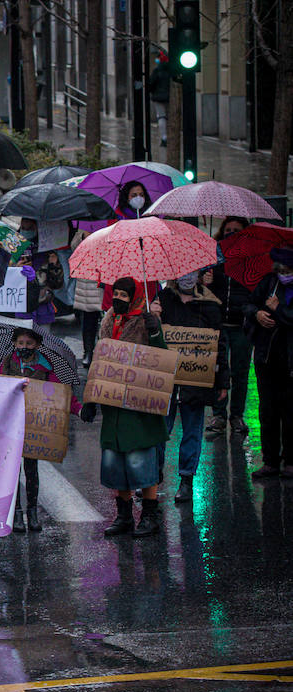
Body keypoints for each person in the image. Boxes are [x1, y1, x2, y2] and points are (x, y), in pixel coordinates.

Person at [79, 277, 168, 537]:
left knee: (142, 461)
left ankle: (150, 516)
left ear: (134, 297)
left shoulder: (147, 321)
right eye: (115, 293)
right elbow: (99, 361)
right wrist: (90, 400)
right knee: (116, 462)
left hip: (140, 407)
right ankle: (125, 515)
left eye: (124, 295)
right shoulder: (109, 322)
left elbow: (161, 359)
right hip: (114, 407)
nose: (118, 299)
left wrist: (154, 332)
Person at [0, 328, 80, 531]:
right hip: (11, 425)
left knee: (31, 469)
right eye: (20, 343)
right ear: (14, 344)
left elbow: (60, 393)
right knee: (12, 470)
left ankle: (32, 511)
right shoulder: (8, 362)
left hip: (34, 426)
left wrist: (79, 410)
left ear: (37, 345)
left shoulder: (45, 366)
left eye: (29, 343)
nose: (24, 347)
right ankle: (16, 512)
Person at [158, 271, 228, 501]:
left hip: (195, 379)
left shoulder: (210, 304)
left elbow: (220, 345)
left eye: (191, 274)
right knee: (159, 430)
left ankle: (186, 479)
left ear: (198, 275)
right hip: (165, 378)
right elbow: (153, 338)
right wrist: (153, 319)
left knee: (192, 430)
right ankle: (152, 477)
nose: (186, 278)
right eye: (182, 274)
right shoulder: (163, 299)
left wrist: (222, 382)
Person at [246, 248, 293, 479]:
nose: (284, 274)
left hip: (290, 360)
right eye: (280, 270)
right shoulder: (269, 283)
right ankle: (270, 460)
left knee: (290, 411)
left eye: (288, 270)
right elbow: (248, 305)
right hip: (266, 359)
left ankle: (291, 460)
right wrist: (257, 314)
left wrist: (278, 309)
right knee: (268, 411)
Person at [207, 216, 254, 438]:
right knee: (218, 370)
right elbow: (204, 288)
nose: (231, 233)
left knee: (240, 372)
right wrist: (205, 279)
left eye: (236, 230)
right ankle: (219, 414)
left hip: (241, 324)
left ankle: (236, 415)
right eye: (228, 229)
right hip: (218, 324)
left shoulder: (250, 258)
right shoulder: (214, 255)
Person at [71, 228, 105, 364]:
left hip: (106, 278)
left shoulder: (113, 225)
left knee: (108, 321)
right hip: (88, 280)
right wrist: (83, 236)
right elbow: (74, 247)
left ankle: (105, 352)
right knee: (89, 319)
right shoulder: (83, 229)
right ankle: (88, 352)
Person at [148, 54, 172, 146]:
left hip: (158, 97)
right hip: (170, 97)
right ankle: (170, 136)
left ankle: (164, 137)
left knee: (161, 117)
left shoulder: (157, 70)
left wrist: (152, 91)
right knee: (170, 117)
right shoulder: (171, 70)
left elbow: (151, 83)